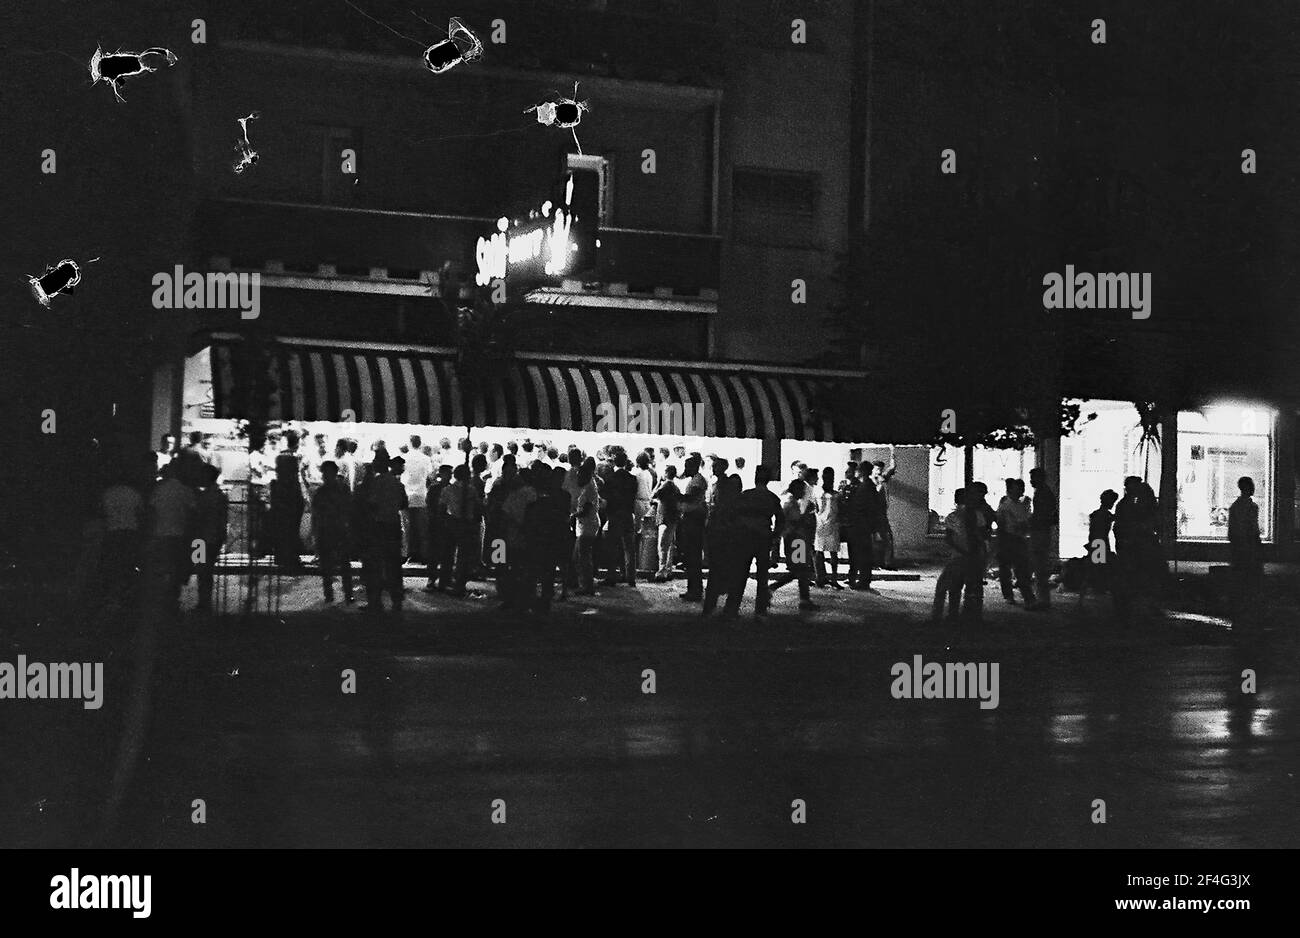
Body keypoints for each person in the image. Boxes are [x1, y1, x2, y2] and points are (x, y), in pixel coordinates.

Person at [725, 465, 783, 618]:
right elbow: (780, 520)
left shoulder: (745, 495)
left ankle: (732, 608)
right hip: (763, 539)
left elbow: (733, 515)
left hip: (744, 539)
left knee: (740, 574)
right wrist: (774, 536)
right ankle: (760, 610)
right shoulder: (772, 498)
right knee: (762, 576)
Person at [97, 466, 146, 618]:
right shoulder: (133, 494)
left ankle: (113, 596)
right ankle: (124, 595)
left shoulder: (107, 493)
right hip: (130, 533)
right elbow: (141, 513)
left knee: (113, 564)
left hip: (112, 532)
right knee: (127, 564)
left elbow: (102, 512)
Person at [364, 454, 407, 611]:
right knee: (394, 565)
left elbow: (371, 504)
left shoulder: (376, 483)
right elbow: (403, 503)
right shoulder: (397, 484)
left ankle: (375, 602)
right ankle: (396, 600)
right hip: (394, 525)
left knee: (376, 565)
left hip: (379, 526)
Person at [768, 479, 819, 610]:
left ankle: (804, 599)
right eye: (801, 489)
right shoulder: (790, 504)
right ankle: (773, 588)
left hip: (796, 540)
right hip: (796, 541)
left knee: (801, 570)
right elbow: (794, 522)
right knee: (799, 570)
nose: (803, 492)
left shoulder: (792, 503)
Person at [312, 460, 354, 603]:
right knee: (342, 564)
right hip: (337, 530)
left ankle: (331, 594)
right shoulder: (342, 489)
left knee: (329, 564)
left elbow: (316, 514)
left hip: (330, 530)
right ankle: (346, 594)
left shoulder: (321, 492)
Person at [440, 463, 484, 597]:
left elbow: (441, 507)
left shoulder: (448, 489)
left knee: (448, 553)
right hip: (467, 523)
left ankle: (445, 580)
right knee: (463, 555)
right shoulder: (471, 490)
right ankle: (459, 582)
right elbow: (478, 506)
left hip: (452, 521)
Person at [702, 474, 743, 616]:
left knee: (717, 577)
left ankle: (711, 607)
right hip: (727, 545)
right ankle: (727, 609)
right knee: (729, 578)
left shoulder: (721, 506)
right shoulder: (736, 504)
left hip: (724, 545)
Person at [500, 462, 539, 609]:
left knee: (511, 567)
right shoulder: (529, 493)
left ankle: (511, 598)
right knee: (517, 567)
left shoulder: (516, 493)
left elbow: (505, 515)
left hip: (513, 537)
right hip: (518, 536)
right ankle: (521, 597)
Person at [192, 463, 229, 612]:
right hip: (211, 538)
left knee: (202, 570)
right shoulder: (219, 495)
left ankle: (203, 602)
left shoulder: (205, 496)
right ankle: (204, 602)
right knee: (205, 571)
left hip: (202, 539)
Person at [1228, 476, 1262, 623]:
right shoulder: (1251, 507)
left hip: (1240, 548)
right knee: (1250, 580)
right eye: (1251, 485)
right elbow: (1253, 529)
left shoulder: (1235, 507)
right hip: (1249, 548)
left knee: (1241, 580)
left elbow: (1232, 532)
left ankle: (1240, 610)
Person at [601, 452, 639, 587]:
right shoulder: (632, 478)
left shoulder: (610, 479)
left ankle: (611, 576)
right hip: (628, 514)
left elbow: (606, 500)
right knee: (629, 548)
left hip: (614, 515)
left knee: (612, 547)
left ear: (614, 462)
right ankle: (630, 577)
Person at [995, 478, 1034, 605]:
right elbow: (1002, 522)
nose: (1020, 491)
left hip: (1017, 538)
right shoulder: (1006, 505)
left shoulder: (1021, 504)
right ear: (1011, 489)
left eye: (1021, 488)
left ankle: (1024, 596)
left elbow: (1026, 520)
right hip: (1008, 538)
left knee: (1019, 569)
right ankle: (1015, 595)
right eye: (1018, 488)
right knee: (1009, 569)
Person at [931, 488, 967, 622]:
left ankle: (937, 615)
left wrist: (963, 551)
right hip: (970, 555)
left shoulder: (953, 517)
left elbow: (949, 538)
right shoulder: (976, 515)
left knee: (942, 586)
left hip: (958, 556)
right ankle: (953, 614)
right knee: (956, 587)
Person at [676, 454, 708, 602]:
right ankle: (693, 589)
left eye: (687, 466)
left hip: (694, 520)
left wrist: (676, 496)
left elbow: (691, 498)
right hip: (692, 519)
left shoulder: (697, 481)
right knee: (691, 557)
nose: (685, 469)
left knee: (693, 556)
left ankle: (695, 591)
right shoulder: (695, 480)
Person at [961, 481, 994, 623]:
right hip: (975, 546)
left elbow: (983, 529)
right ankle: (973, 612)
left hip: (976, 546)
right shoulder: (981, 508)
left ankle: (972, 612)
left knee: (974, 581)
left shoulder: (981, 510)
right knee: (973, 581)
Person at [846, 467, 883, 593]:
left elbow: (861, 508)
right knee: (864, 555)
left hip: (860, 526)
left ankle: (863, 581)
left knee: (861, 555)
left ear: (860, 472)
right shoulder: (869, 486)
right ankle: (864, 580)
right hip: (865, 526)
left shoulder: (863, 488)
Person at [1027, 467, 1058, 610]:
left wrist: (1030, 522)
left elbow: (1042, 514)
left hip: (1040, 531)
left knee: (1039, 565)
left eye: (1033, 478)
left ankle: (1043, 600)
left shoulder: (1042, 493)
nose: (1031, 481)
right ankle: (1043, 599)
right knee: (1040, 565)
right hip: (1042, 530)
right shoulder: (1045, 492)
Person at [270, 452, 305, 572]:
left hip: (283, 513)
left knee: (283, 534)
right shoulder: (293, 484)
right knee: (291, 534)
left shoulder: (278, 484)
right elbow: (299, 501)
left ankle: (282, 557)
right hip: (291, 513)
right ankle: (290, 557)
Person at [402, 435, 434, 564]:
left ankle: (408, 554)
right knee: (422, 528)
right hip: (421, 496)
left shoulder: (404, 458)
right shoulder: (426, 459)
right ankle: (423, 555)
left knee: (407, 528)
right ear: (420, 444)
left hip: (406, 496)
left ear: (409, 444)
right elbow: (430, 476)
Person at [572, 457, 601, 595]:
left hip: (588, 525)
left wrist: (573, 515)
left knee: (582, 556)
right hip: (586, 524)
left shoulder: (589, 486)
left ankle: (587, 586)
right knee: (581, 556)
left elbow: (586, 509)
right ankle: (585, 584)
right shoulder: (589, 484)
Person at [423, 464, 453, 592]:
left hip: (441, 523)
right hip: (438, 523)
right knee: (438, 553)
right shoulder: (437, 488)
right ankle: (435, 578)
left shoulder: (438, 488)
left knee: (443, 553)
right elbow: (429, 506)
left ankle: (440, 578)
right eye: (448, 473)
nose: (450, 475)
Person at [1085, 489, 1119, 596]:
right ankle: (1098, 587)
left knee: (1097, 566)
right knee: (1099, 567)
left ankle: (1097, 586)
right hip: (1100, 542)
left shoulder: (1097, 514)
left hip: (1096, 542)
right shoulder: (1106, 515)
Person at [814, 466, 843, 589]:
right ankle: (833, 578)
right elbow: (840, 509)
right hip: (833, 523)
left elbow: (815, 508)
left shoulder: (818, 493)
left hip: (820, 523)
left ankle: (820, 578)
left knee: (819, 551)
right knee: (833, 553)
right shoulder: (836, 495)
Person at [652, 465, 680, 581]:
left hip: (664, 518)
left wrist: (658, 482)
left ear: (667, 473)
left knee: (662, 545)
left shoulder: (665, 486)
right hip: (673, 518)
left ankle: (661, 570)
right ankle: (668, 569)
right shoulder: (676, 487)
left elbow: (653, 495)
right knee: (669, 546)